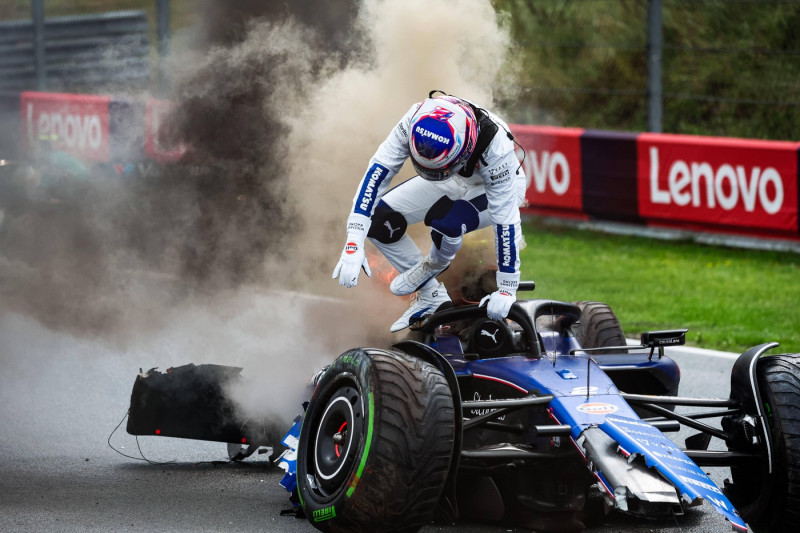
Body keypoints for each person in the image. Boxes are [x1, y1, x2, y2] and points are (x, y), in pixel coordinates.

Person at [332, 91, 527, 332]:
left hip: (495, 185)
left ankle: (435, 263)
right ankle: (431, 295)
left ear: (464, 150)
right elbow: (376, 175)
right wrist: (354, 239)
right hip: (452, 176)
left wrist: (507, 287)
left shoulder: (496, 147)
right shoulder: (414, 119)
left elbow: (505, 220)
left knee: (447, 224)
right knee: (377, 220)